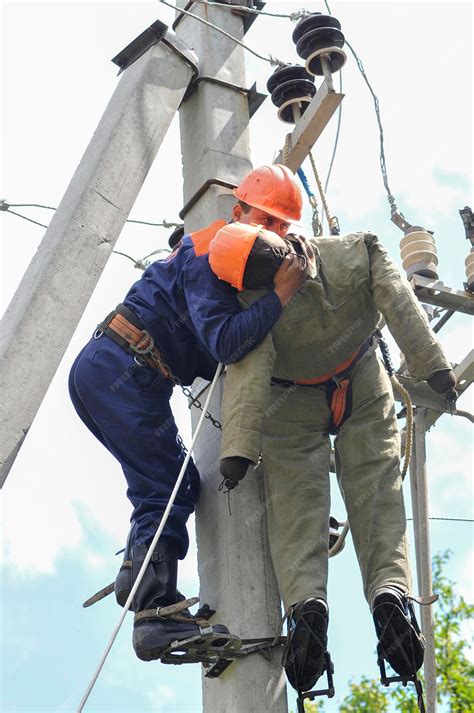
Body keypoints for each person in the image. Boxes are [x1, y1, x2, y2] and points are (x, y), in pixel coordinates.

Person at [68, 164, 307, 661]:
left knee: (160, 482)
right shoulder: (212, 251)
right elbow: (226, 340)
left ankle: (141, 576)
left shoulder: (226, 258)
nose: (273, 234)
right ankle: (153, 615)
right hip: (124, 368)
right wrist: (283, 295)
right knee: (170, 485)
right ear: (238, 210)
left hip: (120, 370)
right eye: (265, 218)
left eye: (282, 227)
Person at [207, 222, 456, 694]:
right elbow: (398, 300)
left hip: (292, 400)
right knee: (377, 488)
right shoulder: (355, 251)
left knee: (295, 505)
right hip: (359, 378)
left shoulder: (250, 303)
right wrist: (433, 365)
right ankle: (390, 592)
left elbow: (250, 367)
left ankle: (306, 606)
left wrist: (237, 450)